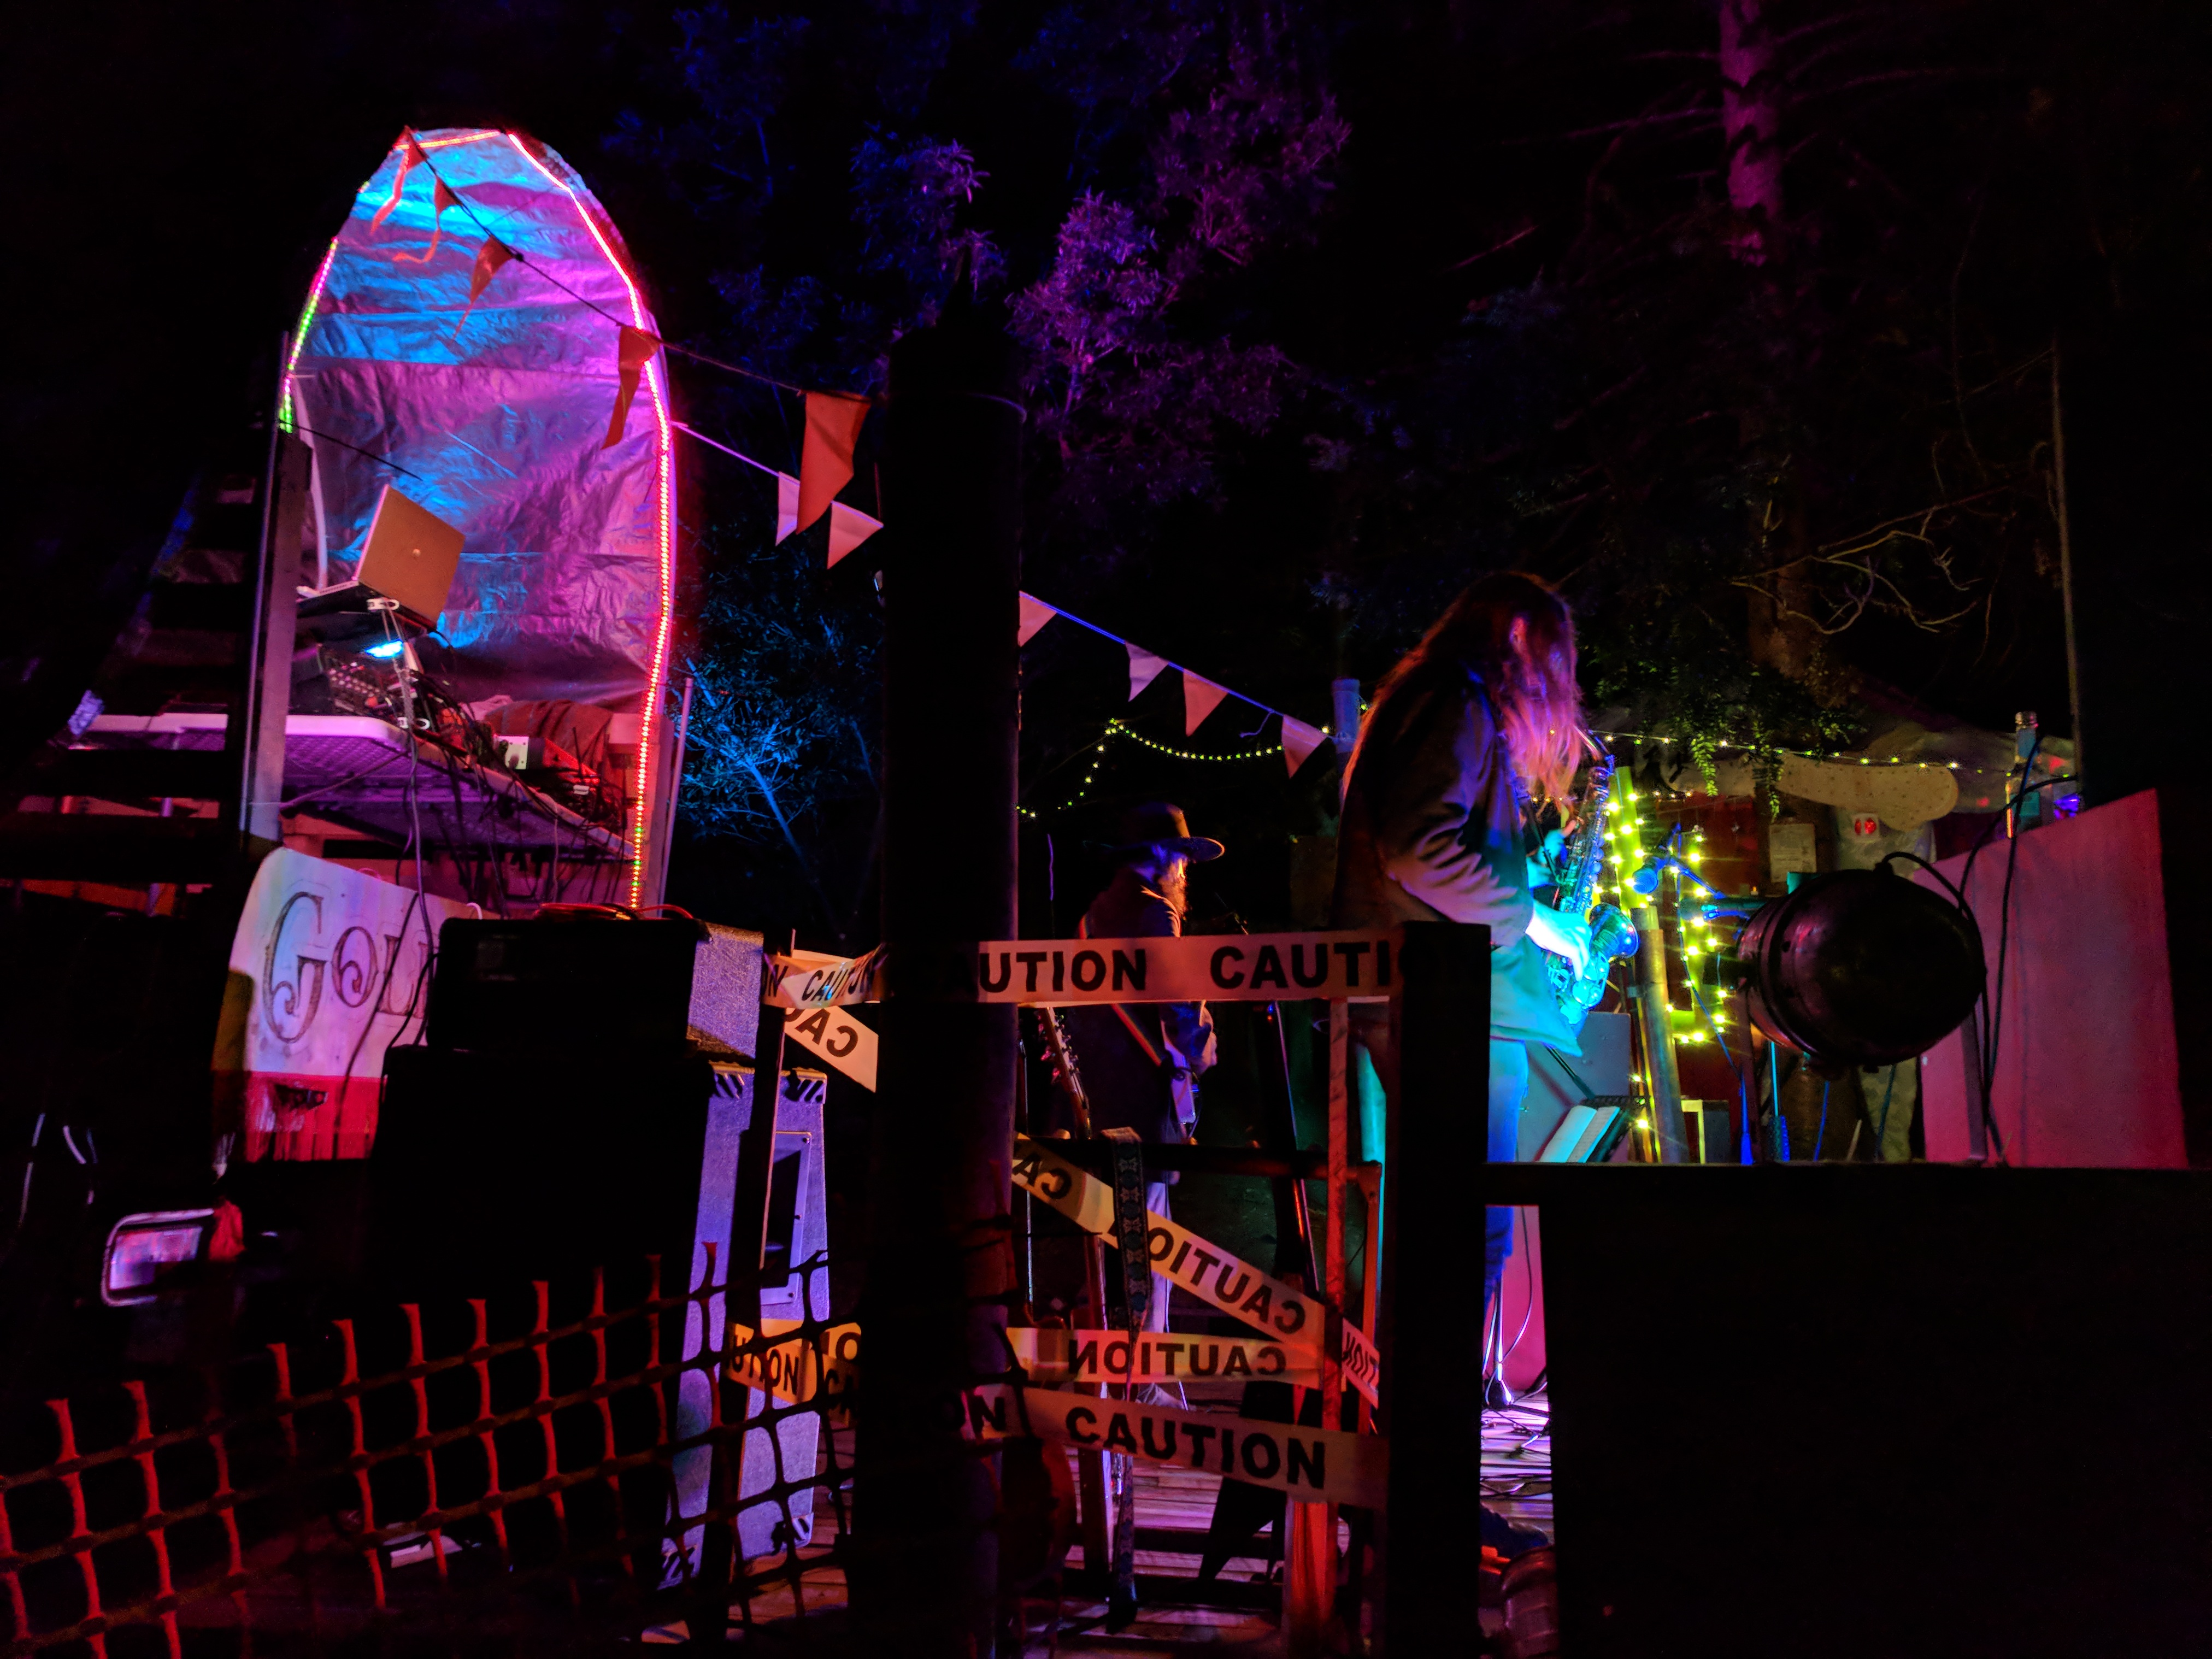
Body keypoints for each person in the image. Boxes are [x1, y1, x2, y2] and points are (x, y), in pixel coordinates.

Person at [1332, 572, 1591, 1326]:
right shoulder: (1457, 699)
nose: (1555, 682)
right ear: (1516, 634)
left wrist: (1519, 876)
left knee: (1449, 1221)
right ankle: (1440, 1395)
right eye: (1552, 656)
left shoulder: (1432, 698)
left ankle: (1426, 1387)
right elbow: (1419, 850)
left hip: (1432, 991)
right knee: (1469, 1229)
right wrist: (1533, 919)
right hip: (1447, 1000)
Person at [1061, 802, 1221, 1339]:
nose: (1185, 869)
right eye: (1180, 856)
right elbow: (1179, 1006)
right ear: (1159, 854)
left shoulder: (1091, 918)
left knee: (1108, 1238)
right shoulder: (1156, 912)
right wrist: (1204, 1051)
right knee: (1151, 1242)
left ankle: (1114, 1362)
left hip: (1098, 1096)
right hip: (1145, 1100)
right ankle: (1147, 1367)